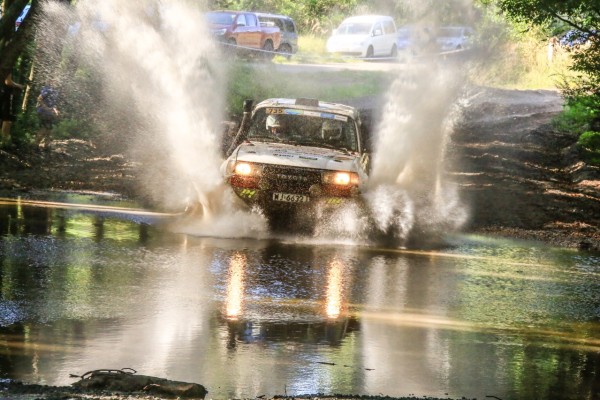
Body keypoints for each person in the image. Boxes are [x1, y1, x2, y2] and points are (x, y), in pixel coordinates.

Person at [0, 72, 25, 147]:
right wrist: (18, 85)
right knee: (7, 119)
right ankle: (4, 141)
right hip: (4, 94)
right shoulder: (8, 64)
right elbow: (8, 81)